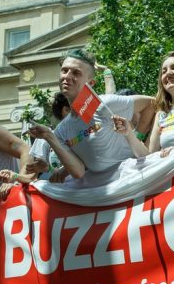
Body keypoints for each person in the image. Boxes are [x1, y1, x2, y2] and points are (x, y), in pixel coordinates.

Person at [25, 49, 154, 185]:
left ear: (90, 83)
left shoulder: (104, 104)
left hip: (134, 180)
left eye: (76, 73)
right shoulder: (61, 131)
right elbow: (78, 172)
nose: (67, 76)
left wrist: (137, 136)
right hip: (101, 190)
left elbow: (152, 103)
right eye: (64, 70)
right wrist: (48, 136)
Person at [115, 51, 174, 156]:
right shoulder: (161, 114)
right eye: (164, 71)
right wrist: (129, 133)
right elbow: (148, 156)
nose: (168, 73)